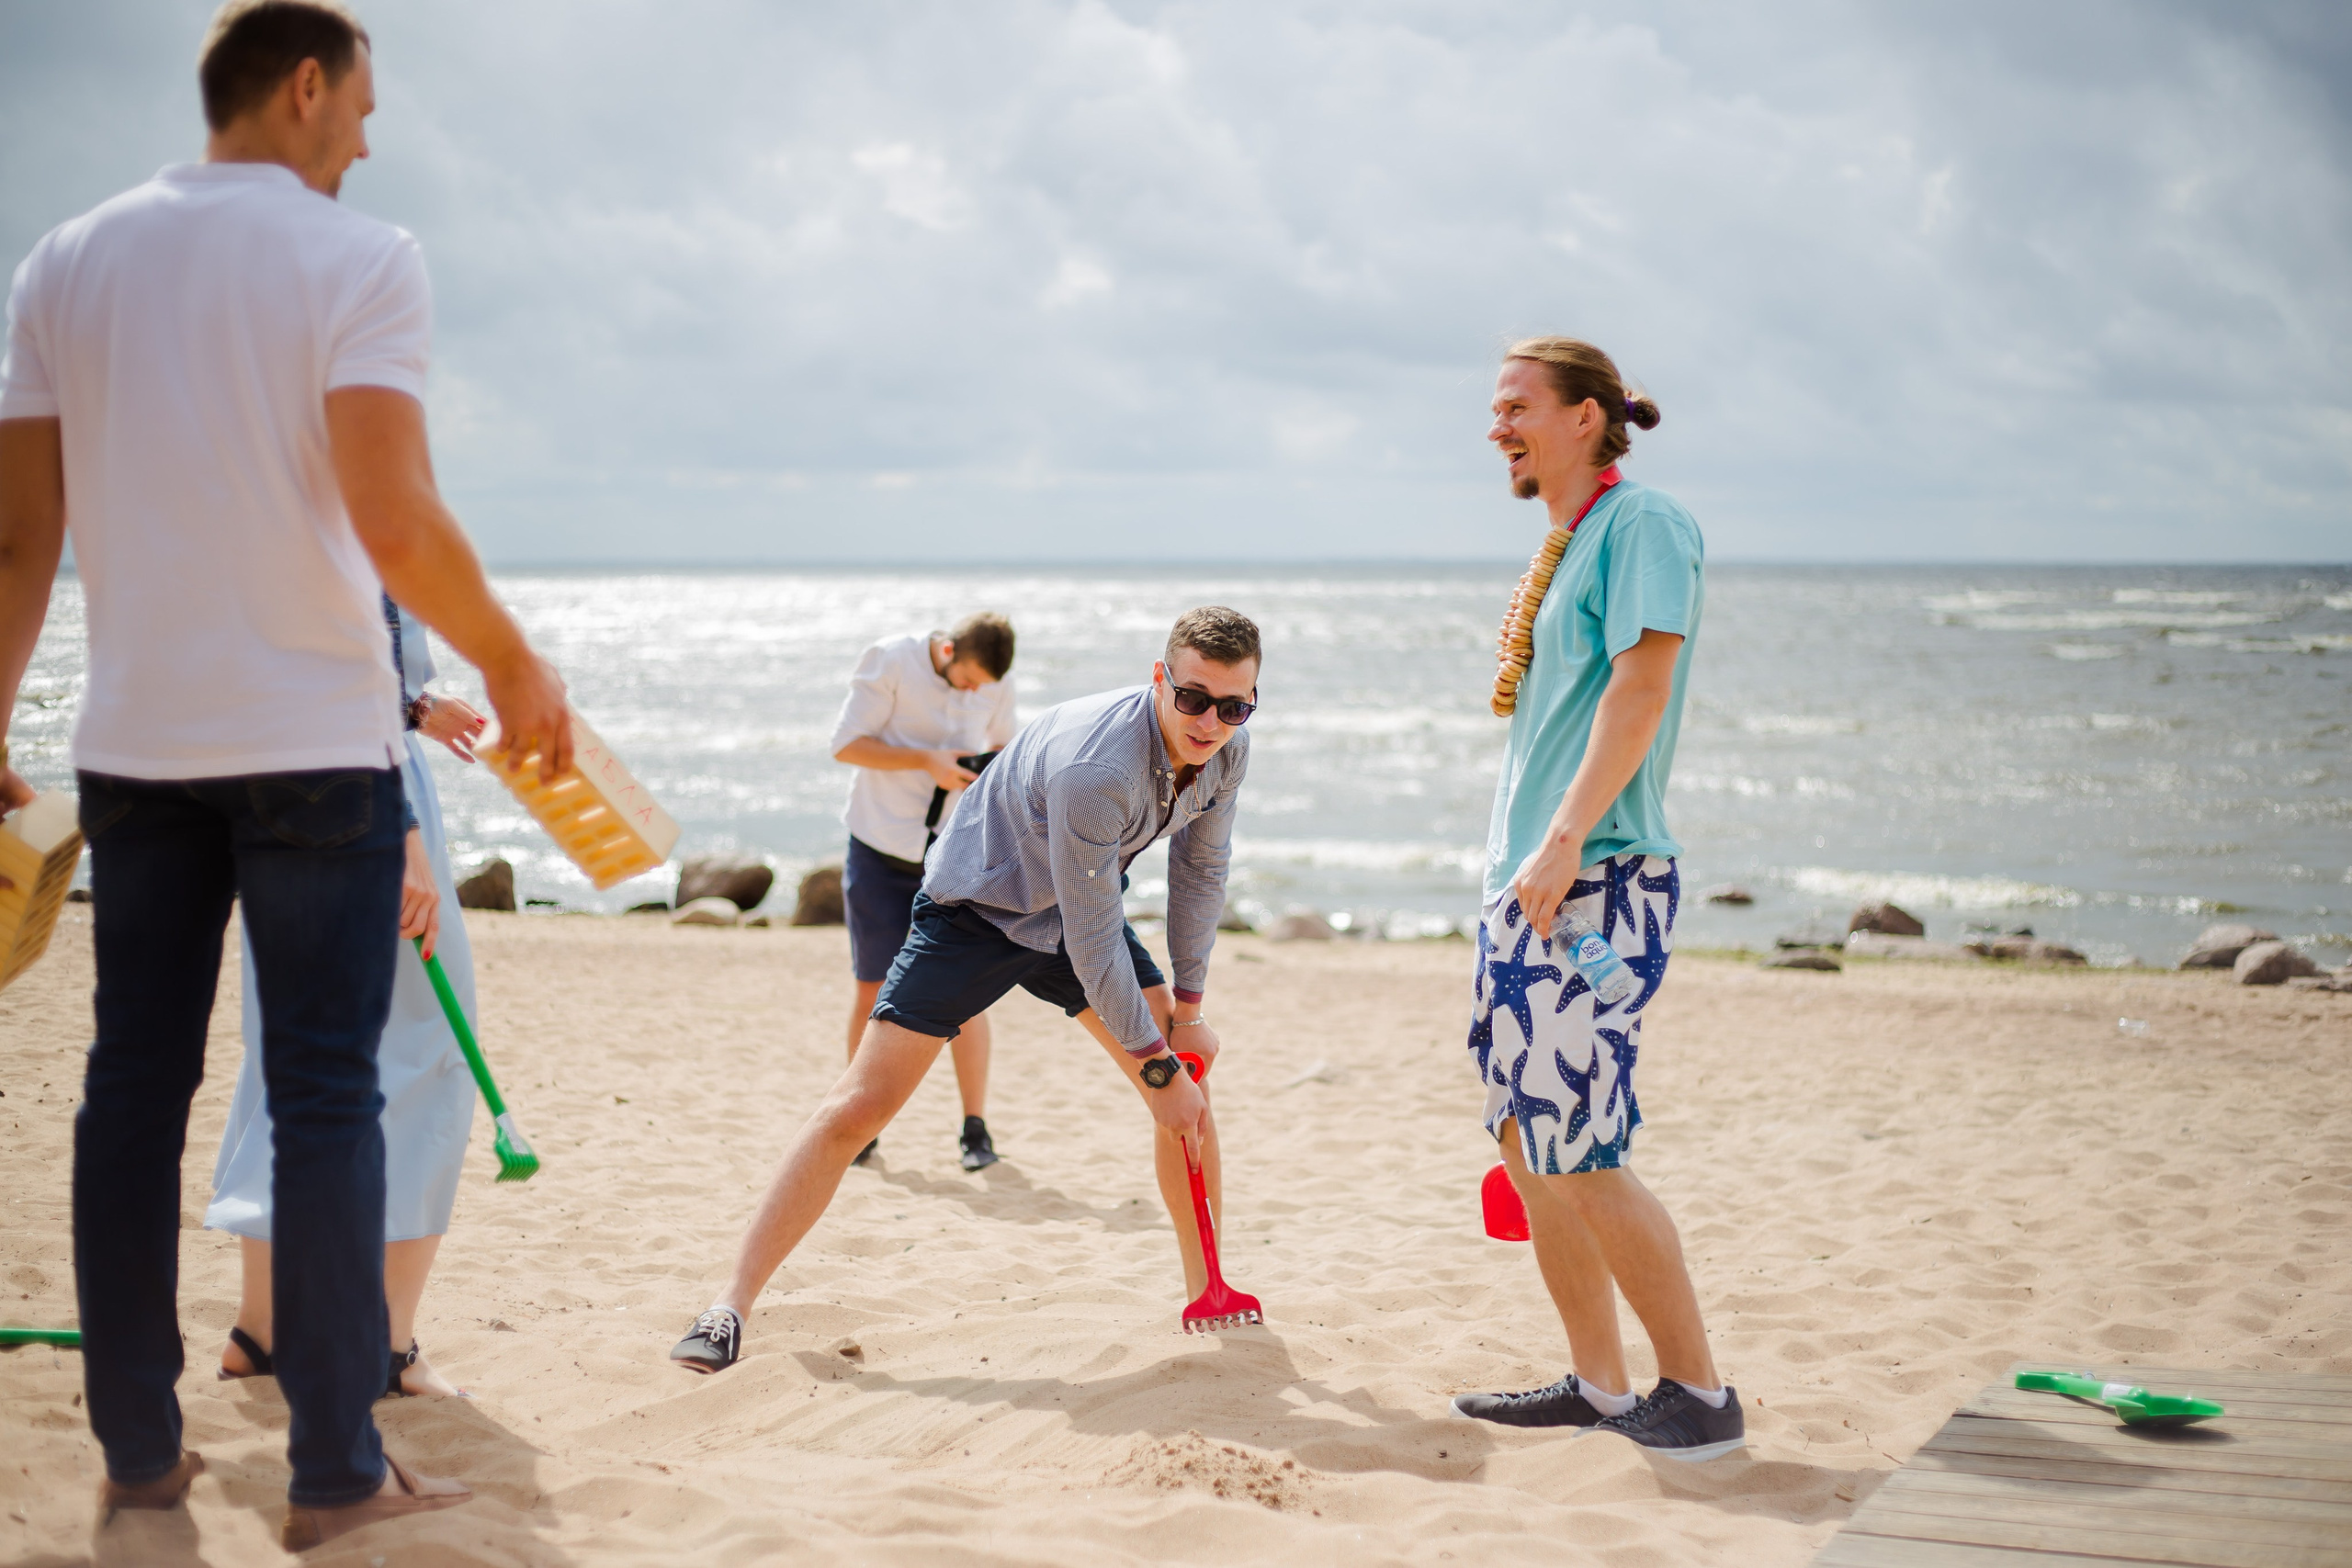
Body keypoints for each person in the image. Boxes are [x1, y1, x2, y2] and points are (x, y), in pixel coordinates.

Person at [0, 1, 574, 1547]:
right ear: (305, 86)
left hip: (138, 748)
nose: (371, 140)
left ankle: (136, 1450)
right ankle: (330, 1467)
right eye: (365, 106)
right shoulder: (359, 257)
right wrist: (514, 663)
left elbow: (19, 538)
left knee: (133, 1085)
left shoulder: (63, 260)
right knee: (331, 1094)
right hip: (317, 744)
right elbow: (392, 517)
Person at [670, 607, 1261, 1373]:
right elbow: (1091, 938)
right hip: (979, 910)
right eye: (1194, 698)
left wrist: (1189, 1009)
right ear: (1160, 680)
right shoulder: (1099, 768)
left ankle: (1205, 1290)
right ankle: (728, 1306)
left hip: (1074, 904)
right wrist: (1157, 1063)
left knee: (1186, 1098)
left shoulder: (1227, 751)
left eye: (1234, 705)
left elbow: (1200, 872)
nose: (1212, 721)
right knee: (861, 1106)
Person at [1447, 338, 1742, 1460]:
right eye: (1493, 408)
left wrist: (1565, 841)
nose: (1496, 428)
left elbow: (1644, 682)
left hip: (1598, 879)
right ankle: (1601, 1385)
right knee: (1530, 1144)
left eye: (1516, 406)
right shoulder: (1565, 541)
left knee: (1583, 1146)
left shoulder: (1643, 526)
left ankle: (1701, 1397)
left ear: (1586, 415)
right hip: (1528, 888)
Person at [208, 598, 488, 1401]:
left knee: (284, 1051)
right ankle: (387, 1342)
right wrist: (400, 834)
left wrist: (417, 704)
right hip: (367, 787)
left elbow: (292, 655)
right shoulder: (354, 493)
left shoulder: (268, 489)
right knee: (435, 1052)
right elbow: (342, 668)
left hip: (279, 785)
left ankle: (259, 1331)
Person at [828, 613, 1017, 1170]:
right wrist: (926, 761)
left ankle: (975, 1130)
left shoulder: (994, 678)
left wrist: (987, 771)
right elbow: (845, 745)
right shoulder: (889, 658)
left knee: (967, 994)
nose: (977, 691)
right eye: (969, 680)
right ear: (948, 649)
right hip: (879, 845)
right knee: (872, 990)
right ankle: (858, 1125)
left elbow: (1005, 747)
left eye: (985, 685)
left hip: (954, 857)